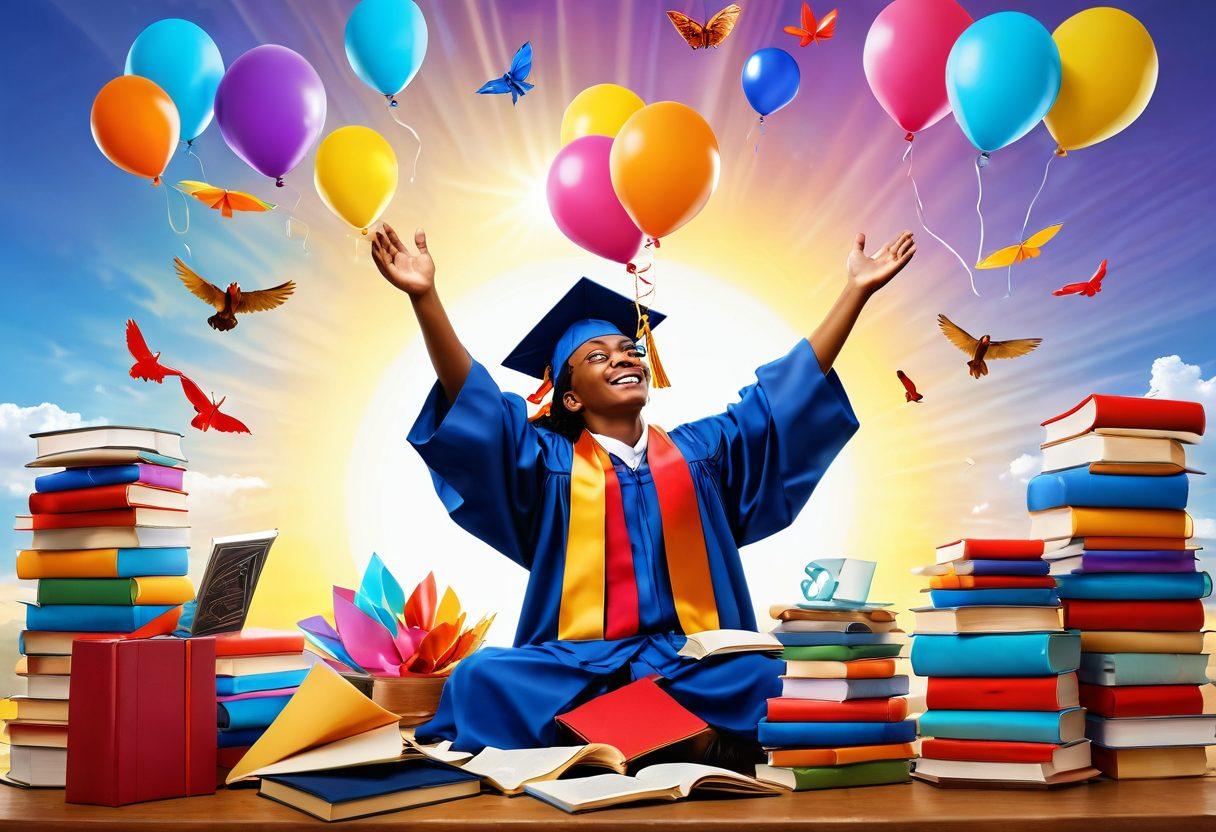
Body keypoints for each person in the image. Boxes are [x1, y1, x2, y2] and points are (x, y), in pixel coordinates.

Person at [369, 223, 916, 756]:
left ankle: (610, 739)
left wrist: (855, 292)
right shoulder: (547, 463)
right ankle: (681, 739)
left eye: (629, 349)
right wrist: (426, 300)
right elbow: (479, 411)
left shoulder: (702, 451)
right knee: (481, 678)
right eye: (598, 356)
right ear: (571, 398)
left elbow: (780, 404)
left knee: (769, 675)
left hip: (693, 663)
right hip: (580, 666)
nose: (624, 358)